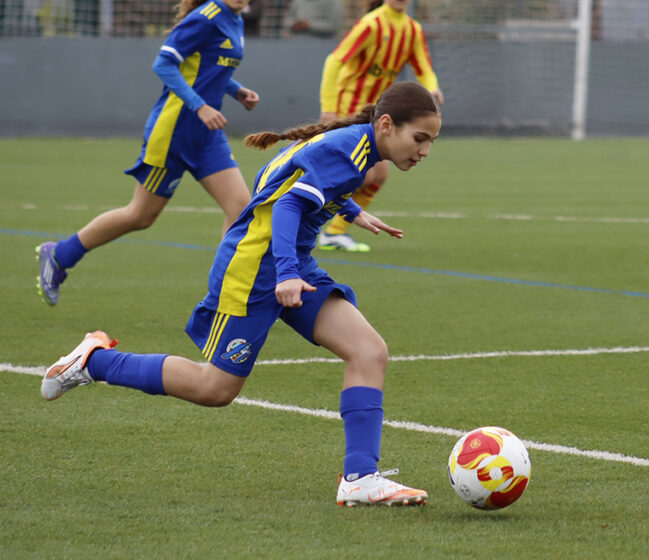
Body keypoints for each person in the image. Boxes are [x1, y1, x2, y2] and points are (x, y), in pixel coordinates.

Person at [40, 81, 442, 507]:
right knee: (214, 389)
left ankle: (360, 477)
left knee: (368, 351)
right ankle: (94, 361)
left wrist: (351, 211)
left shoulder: (355, 146)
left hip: (290, 262)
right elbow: (287, 204)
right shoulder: (346, 150)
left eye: (432, 142)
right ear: (385, 125)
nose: (425, 151)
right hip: (255, 268)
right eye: (420, 138)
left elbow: (285, 177)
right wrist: (286, 273)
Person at [35, 0, 262, 306]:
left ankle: (224, 295)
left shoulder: (235, 20)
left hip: (207, 135)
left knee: (241, 209)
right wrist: (200, 105)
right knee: (140, 216)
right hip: (174, 132)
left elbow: (209, 67)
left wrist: (236, 90)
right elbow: (165, 64)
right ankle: (60, 255)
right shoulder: (204, 19)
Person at [317, 0, 443, 252]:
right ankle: (311, 222)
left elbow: (423, 65)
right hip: (350, 108)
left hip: (377, 113)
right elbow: (335, 61)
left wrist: (432, 87)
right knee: (350, 171)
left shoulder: (412, 29)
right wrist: (329, 108)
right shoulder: (371, 24)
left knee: (377, 174)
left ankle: (333, 232)